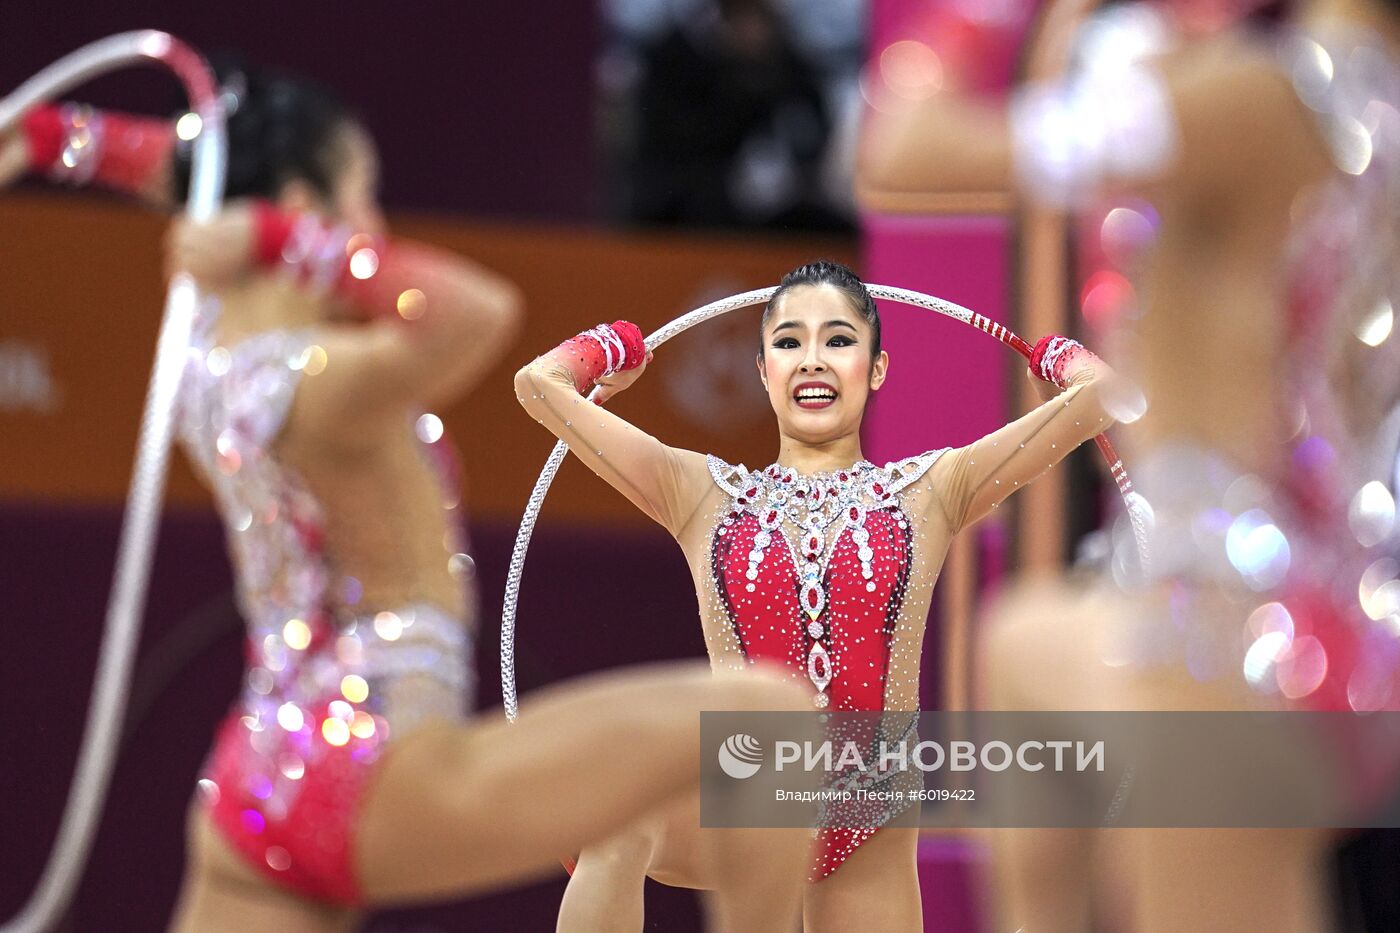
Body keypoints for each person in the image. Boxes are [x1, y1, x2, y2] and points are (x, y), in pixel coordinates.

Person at [2, 59, 815, 933]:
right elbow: (477, 311)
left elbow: (198, 169)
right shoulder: (320, 381)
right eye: (361, 196)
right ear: (301, 206)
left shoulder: (209, 358)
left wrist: (54, 139)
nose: (373, 225)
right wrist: (290, 239)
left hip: (259, 773)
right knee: (769, 723)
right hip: (369, 766)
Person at [858, 0, 1400, 930]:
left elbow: (905, 155)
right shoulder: (1356, 95)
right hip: (1317, 602)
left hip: (1227, 636)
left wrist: (974, 26)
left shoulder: (1252, 99)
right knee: (1022, 642)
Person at [515, 258, 1122, 930]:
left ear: (879, 367)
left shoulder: (932, 490)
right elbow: (538, 385)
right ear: (762, 370)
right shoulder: (698, 493)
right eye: (788, 342)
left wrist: (1055, 358)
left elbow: (1107, 394)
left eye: (838, 340)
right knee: (617, 818)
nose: (812, 360)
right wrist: (605, 350)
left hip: (870, 814)